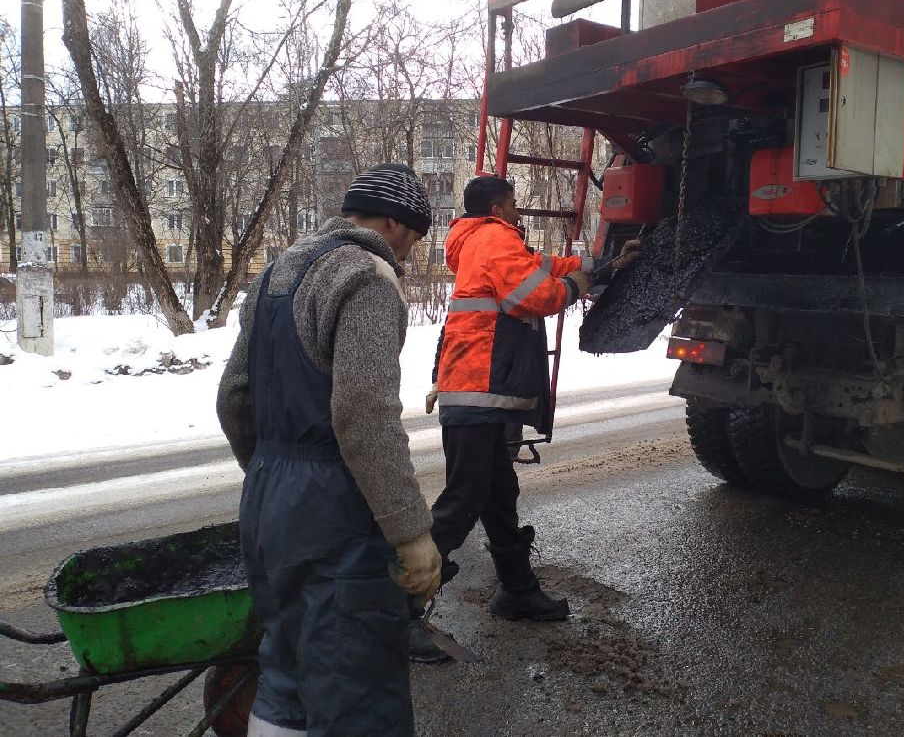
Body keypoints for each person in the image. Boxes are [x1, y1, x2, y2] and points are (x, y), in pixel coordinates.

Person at [217, 164, 441, 737]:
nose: (410, 254)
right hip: (332, 509)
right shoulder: (366, 276)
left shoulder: (276, 273)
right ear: (393, 223)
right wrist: (411, 533)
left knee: (284, 669)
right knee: (355, 686)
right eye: (413, 238)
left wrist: (273, 476)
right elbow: (364, 415)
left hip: (268, 499)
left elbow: (234, 398)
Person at [411, 175, 638, 662]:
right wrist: (576, 286)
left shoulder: (484, 242)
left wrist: (604, 265)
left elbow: (546, 266)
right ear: (498, 207)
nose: (519, 211)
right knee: (464, 497)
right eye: (514, 204)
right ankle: (396, 608)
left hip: (480, 391)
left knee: (497, 494)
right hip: (479, 389)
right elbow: (536, 295)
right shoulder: (495, 237)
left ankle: (516, 591)